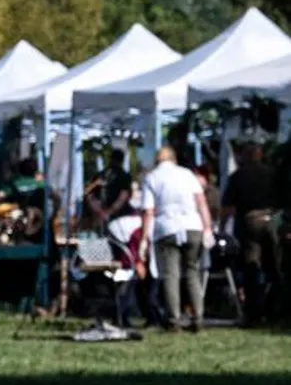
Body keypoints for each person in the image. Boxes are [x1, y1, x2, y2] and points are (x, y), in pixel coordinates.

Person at [139, 147, 213, 333]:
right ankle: (198, 317)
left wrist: (144, 238)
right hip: (192, 226)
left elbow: (148, 211)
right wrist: (207, 228)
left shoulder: (151, 178)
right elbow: (201, 201)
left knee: (170, 274)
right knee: (192, 272)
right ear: (174, 159)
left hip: (167, 228)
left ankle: (173, 319)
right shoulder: (187, 174)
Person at [223, 142, 278, 325]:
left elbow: (228, 206)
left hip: (249, 221)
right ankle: (274, 309)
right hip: (271, 219)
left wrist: (223, 229)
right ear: (260, 155)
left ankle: (253, 313)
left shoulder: (238, 176)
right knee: (273, 266)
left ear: (245, 156)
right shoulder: (272, 174)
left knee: (251, 266)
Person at [87, 149, 134, 229]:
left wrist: (101, 212)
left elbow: (90, 196)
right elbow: (123, 197)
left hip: (100, 217)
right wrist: (109, 212)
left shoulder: (99, 175)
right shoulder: (125, 176)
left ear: (110, 159)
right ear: (122, 160)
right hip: (120, 218)